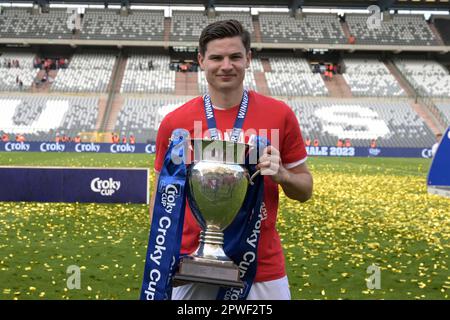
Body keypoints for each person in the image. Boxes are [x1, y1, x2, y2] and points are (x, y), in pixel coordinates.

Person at [150, 19, 313, 300]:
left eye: (235, 56)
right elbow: (161, 198)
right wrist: (165, 255)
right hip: (190, 266)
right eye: (216, 57)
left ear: (248, 59)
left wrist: (283, 176)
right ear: (201, 60)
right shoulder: (175, 124)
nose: (226, 65)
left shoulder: (280, 115)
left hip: (261, 268)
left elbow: (305, 189)